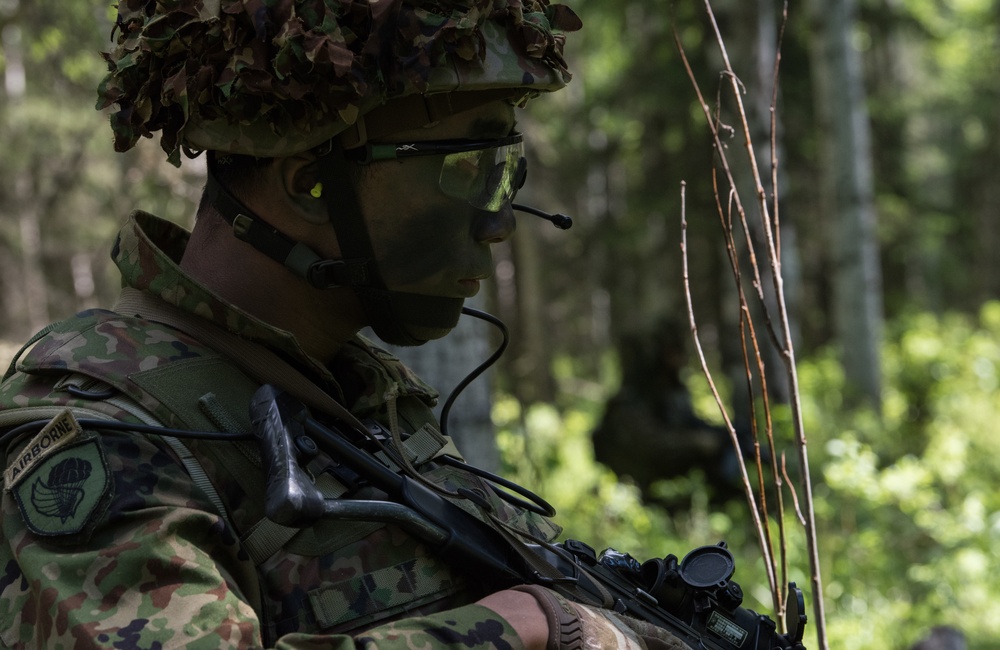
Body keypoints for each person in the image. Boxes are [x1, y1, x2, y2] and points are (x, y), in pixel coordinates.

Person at [0, 1, 691, 648]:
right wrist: (521, 628)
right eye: (467, 167)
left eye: (507, 171)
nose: (502, 222)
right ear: (310, 184)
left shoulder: (353, 394)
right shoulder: (101, 427)